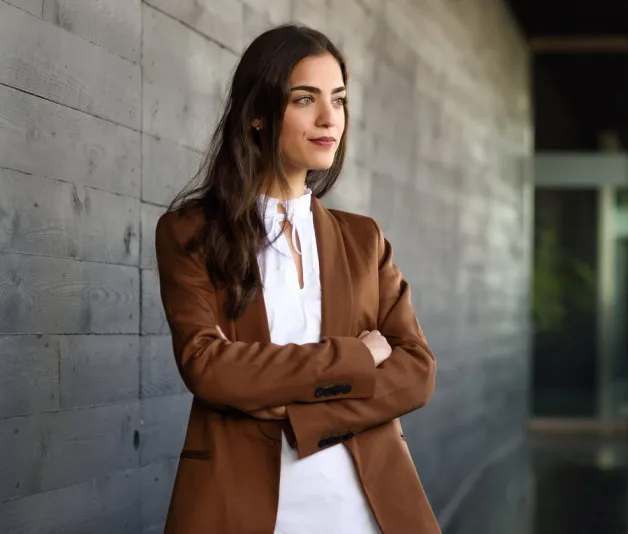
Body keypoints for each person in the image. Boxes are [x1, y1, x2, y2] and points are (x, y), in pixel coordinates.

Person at [154, 24, 439, 534]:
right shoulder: (191, 233)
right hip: (240, 507)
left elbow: (416, 370)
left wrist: (299, 412)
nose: (330, 118)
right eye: (305, 99)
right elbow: (209, 366)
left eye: (339, 99)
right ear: (259, 115)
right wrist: (356, 358)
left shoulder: (363, 238)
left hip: (366, 511)